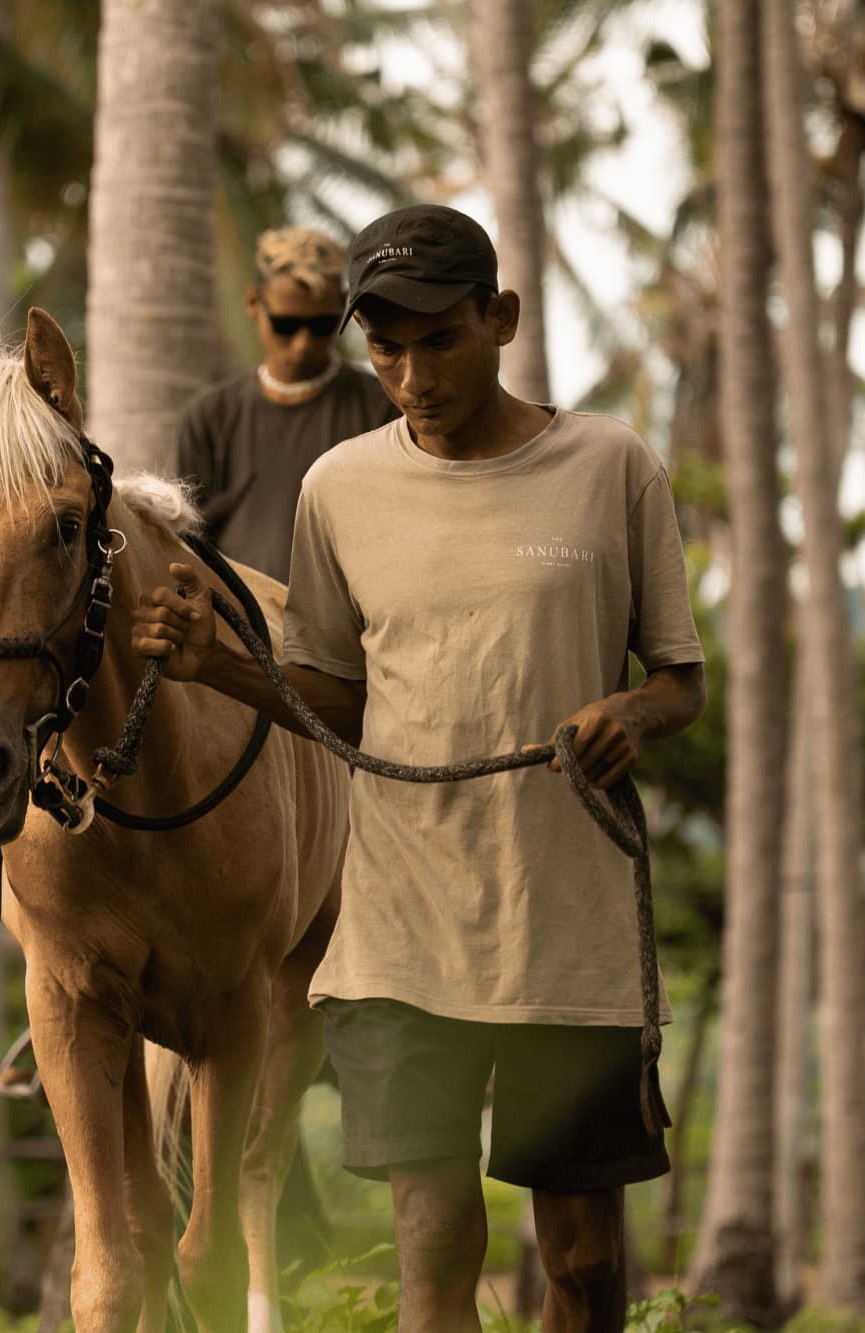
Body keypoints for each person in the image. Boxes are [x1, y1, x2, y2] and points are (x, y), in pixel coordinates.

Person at [132, 204, 707, 1333]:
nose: (409, 373)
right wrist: (221, 667)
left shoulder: (608, 463)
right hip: (399, 921)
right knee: (432, 1240)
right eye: (383, 347)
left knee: (583, 1262)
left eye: (438, 340)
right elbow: (336, 699)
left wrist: (632, 710)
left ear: (499, 318)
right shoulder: (338, 490)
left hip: (568, 921)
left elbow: (682, 678)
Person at [175, 226, 397, 582]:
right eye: (286, 325)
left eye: (322, 325)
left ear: (343, 306)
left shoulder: (384, 408)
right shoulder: (209, 417)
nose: (303, 343)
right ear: (252, 303)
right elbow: (187, 546)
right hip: (236, 629)